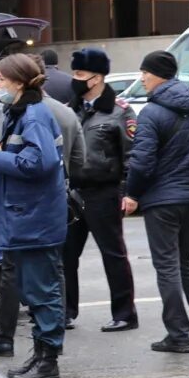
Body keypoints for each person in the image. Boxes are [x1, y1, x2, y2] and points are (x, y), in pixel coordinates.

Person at [0, 54, 83, 358]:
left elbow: (40, 161)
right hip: (29, 219)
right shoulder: (22, 112)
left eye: (0, 79)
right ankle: (40, 356)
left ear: (19, 82)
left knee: (42, 293)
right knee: (36, 292)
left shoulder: (34, 115)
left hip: (35, 220)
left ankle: (47, 361)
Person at [123, 50, 189, 354]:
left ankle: (178, 335)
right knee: (186, 262)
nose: (142, 79)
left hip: (161, 200)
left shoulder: (152, 113)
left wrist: (133, 194)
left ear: (158, 75)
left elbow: (141, 162)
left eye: (145, 74)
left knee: (167, 266)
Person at [63, 47, 139, 333]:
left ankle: (125, 314)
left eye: (79, 74)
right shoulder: (71, 108)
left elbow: (132, 155)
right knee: (66, 255)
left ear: (96, 78)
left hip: (104, 193)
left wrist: (129, 193)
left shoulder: (119, 112)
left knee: (113, 254)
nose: (74, 79)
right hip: (74, 193)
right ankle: (66, 312)